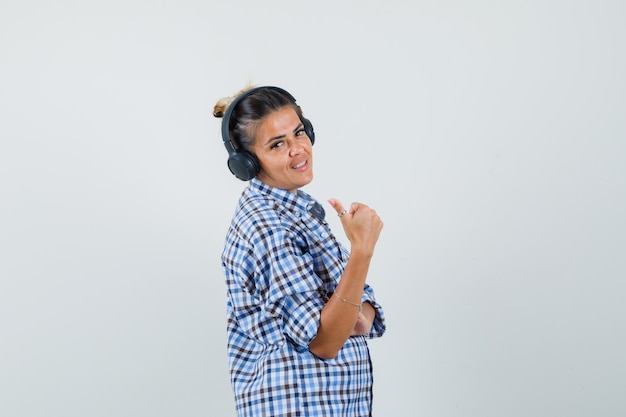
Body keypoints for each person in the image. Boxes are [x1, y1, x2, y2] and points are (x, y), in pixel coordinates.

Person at [213, 85, 386, 416]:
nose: (298, 149)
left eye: (299, 133)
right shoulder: (268, 228)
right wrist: (361, 251)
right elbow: (325, 341)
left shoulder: (297, 212)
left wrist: (344, 311)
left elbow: (361, 317)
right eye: (277, 144)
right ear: (247, 163)